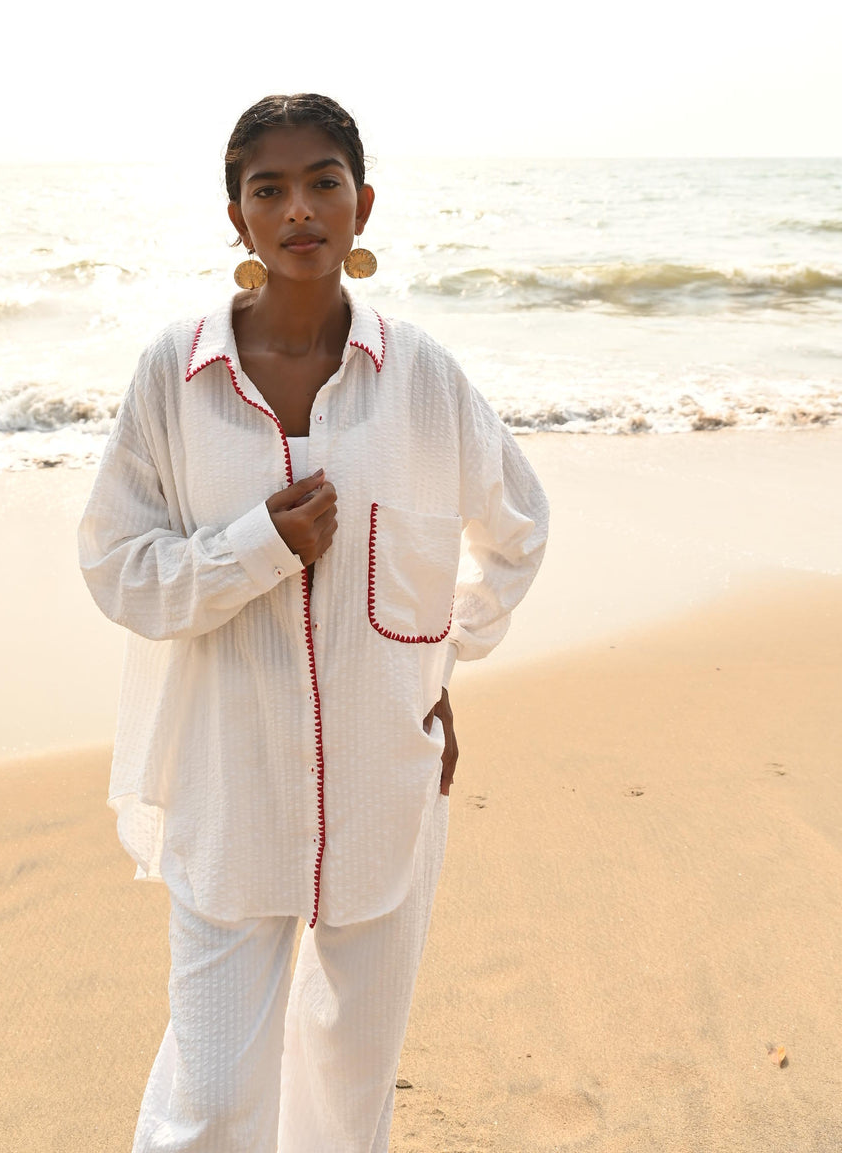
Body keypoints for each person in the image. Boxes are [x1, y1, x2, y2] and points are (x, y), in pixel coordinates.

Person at [77, 92, 549, 1153]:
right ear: (235, 219)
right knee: (211, 1103)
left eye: (322, 181)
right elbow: (117, 570)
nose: (298, 208)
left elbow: (515, 528)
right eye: (268, 189)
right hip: (226, 784)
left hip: (386, 783)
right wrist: (256, 548)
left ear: (362, 203)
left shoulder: (419, 373)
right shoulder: (176, 375)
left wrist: (438, 668)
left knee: (348, 1086)